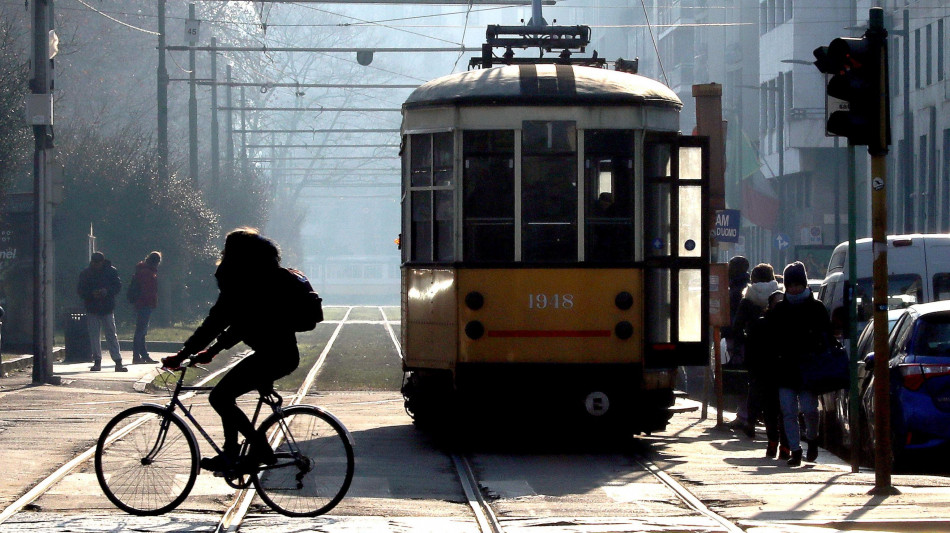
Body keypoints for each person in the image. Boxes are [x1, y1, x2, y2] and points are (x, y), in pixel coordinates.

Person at [161, 228, 302, 473]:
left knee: (220, 397)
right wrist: (213, 351)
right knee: (225, 395)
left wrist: (183, 355)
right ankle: (231, 455)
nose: (222, 254)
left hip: (273, 356)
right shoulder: (260, 280)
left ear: (236, 256)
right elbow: (240, 325)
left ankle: (257, 448)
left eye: (226, 250)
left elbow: (215, 323)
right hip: (280, 355)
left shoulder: (240, 282)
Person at [769, 261, 833, 466]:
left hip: (809, 369)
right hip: (786, 368)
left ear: (805, 284)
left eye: (798, 284)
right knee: (788, 411)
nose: (794, 288)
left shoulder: (817, 308)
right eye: (791, 285)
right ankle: (795, 451)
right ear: (785, 286)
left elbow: (827, 336)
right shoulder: (779, 310)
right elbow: (771, 339)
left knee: (810, 409)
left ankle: (812, 439)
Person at [731, 263, 780, 440]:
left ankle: (750, 421)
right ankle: (772, 424)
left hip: (754, 349)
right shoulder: (778, 297)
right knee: (775, 387)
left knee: (755, 385)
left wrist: (743, 342)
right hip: (776, 348)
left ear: (753, 278)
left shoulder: (747, 298)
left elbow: (737, 326)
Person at [746, 288, 790, 459]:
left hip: (787, 374)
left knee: (787, 411)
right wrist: (753, 372)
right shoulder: (760, 324)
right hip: (766, 376)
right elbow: (751, 350)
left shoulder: (791, 324)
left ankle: (786, 446)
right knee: (770, 411)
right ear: (770, 306)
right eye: (776, 302)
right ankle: (773, 441)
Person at [77, 252, 126, 372]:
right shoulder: (87, 273)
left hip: (105, 307)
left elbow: (118, 286)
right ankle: (98, 360)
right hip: (94, 307)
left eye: (97, 262)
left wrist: (106, 291)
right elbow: (80, 290)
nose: (96, 265)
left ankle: (117, 360)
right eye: (94, 262)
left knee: (110, 334)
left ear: (102, 262)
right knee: (96, 335)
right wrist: (92, 294)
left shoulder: (108, 272)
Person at [721, 255, 750, 429]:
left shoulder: (736, 290)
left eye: (731, 266)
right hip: (740, 337)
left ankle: (744, 414)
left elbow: (734, 316)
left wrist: (729, 330)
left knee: (739, 376)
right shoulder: (743, 287)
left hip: (737, 338)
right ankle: (745, 413)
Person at [131, 252, 162, 364]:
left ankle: (143, 355)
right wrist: (152, 302)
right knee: (140, 331)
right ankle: (137, 356)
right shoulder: (148, 272)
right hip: (145, 304)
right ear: (156, 262)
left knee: (142, 331)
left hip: (141, 303)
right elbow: (148, 290)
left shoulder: (143, 270)